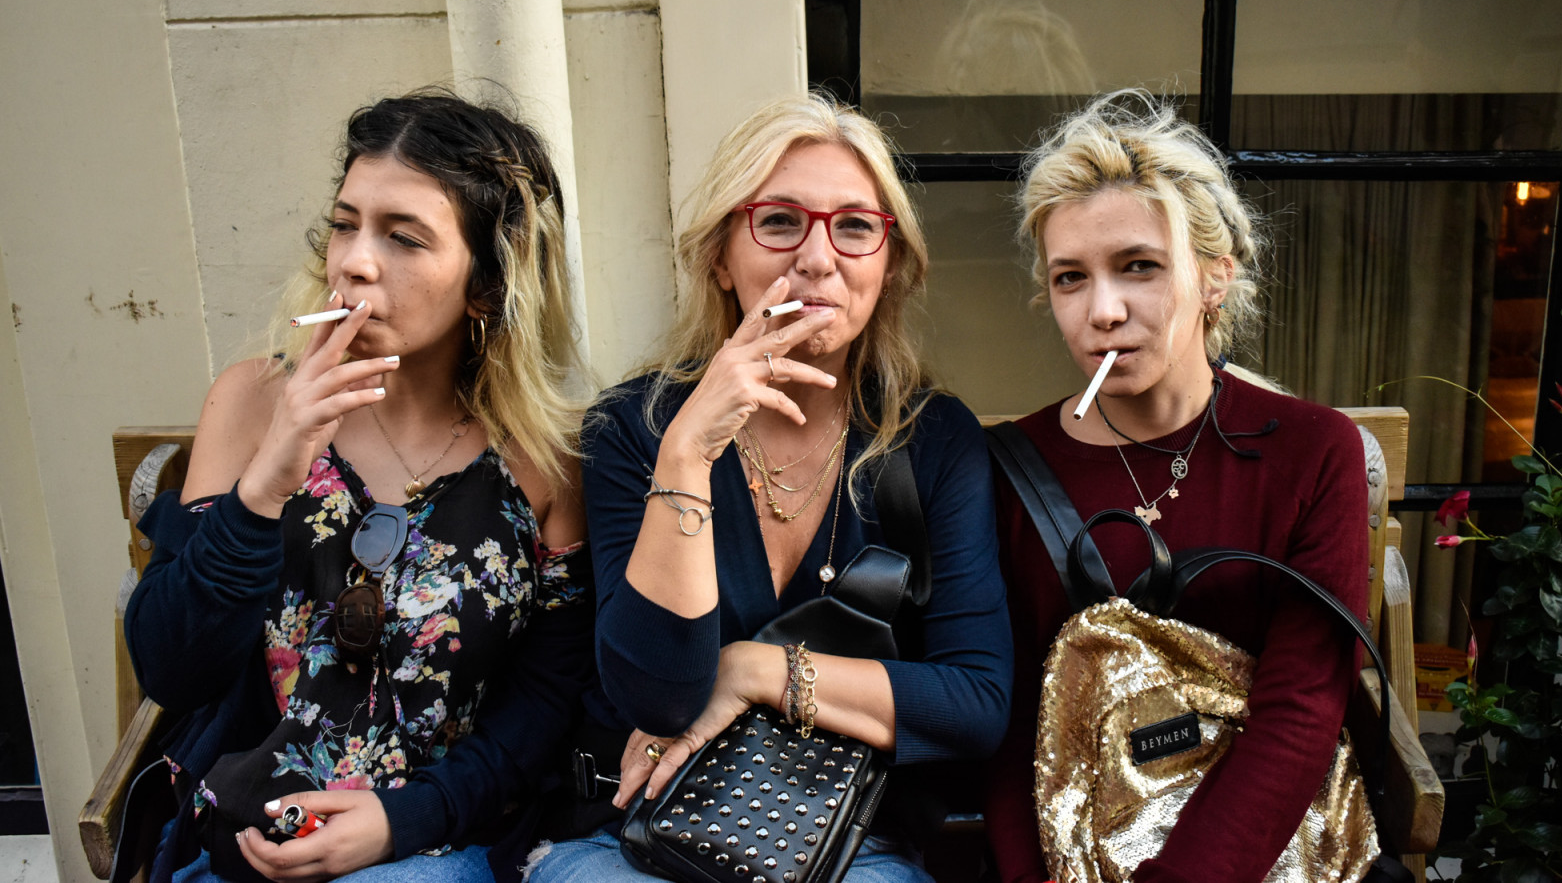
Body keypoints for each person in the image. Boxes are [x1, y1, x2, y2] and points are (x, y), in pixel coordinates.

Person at [520, 93, 1012, 882]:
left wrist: (754, 670)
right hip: (634, 838)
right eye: (780, 221)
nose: (817, 257)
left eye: (854, 227)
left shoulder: (931, 436)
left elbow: (974, 701)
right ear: (721, 256)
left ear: (887, 266)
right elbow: (659, 698)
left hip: (844, 844)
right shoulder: (634, 428)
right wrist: (687, 454)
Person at [125, 89, 593, 883]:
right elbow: (172, 671)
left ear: (487, 285)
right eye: (346, 224)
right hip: (239, 840)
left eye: (404, 237)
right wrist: (270, 475)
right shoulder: (251, 403)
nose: (354, 261)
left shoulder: (546, 462)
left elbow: (544, 711)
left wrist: (401, 821)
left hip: (437, 844)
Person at [982, 90, 1369, 883]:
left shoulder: (1310, 451)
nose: (1104, 310)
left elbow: (1301, 713)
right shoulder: (1013, 469)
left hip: (1272, 854)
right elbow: (1013, 721)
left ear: (1215, 278)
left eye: (1140, 268)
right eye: (1069, 279)